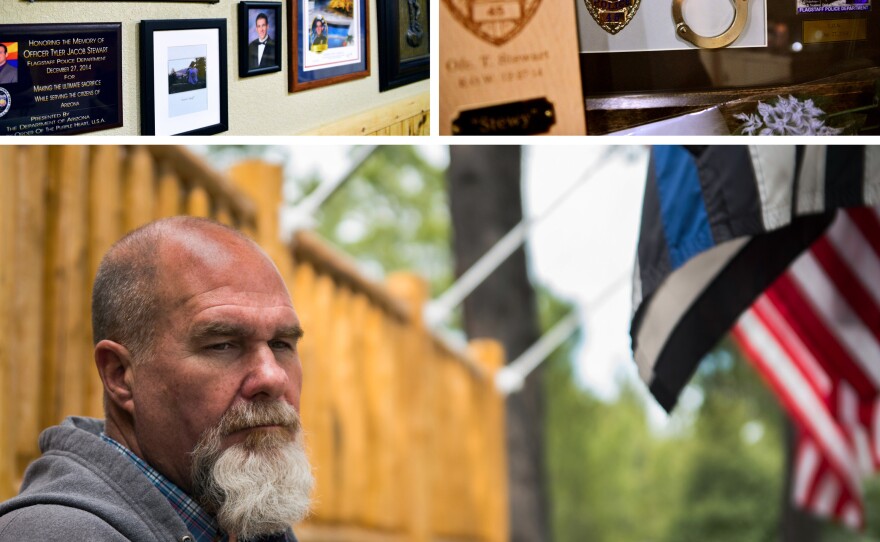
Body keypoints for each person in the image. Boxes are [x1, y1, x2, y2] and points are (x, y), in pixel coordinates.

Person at [0, 217, 314, 542]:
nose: (272, 377)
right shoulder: (58, 534)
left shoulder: (244, 523)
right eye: (222, 345)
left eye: (281, 344)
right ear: (120, 375)